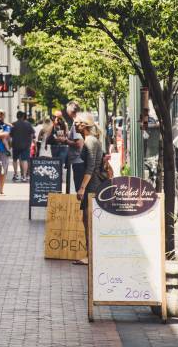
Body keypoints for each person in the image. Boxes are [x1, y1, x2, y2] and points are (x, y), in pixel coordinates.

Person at [74, 113, 104, 266]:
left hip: (92, 186)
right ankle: (90, 254)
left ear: (84, 125)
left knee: (89, 221)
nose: (75, 125)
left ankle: (90, 256)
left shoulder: (90, 141)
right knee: (87, 220)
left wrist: (82, 188)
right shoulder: (89, 140)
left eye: (77, 123)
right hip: (91, 185)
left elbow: (91, 167)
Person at [10, 111, 35, 182]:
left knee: (15, 160)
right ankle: (24, 176)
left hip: (15, 144)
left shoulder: (13, 124)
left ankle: (15, 174)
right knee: (24, 160)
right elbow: (32, 134)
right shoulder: (28, 124)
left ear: (17, 116)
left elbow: (10, 135)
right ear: (23, 116)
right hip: (26, 145)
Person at [63, 101, 82, 193]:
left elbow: (79, 143)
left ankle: (82, 207)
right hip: (79, 160)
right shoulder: (80, 121)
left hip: (78, 160)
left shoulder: (77, 124)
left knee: (79, 188)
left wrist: (66, 141)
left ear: (71, 111)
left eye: (67, 110)